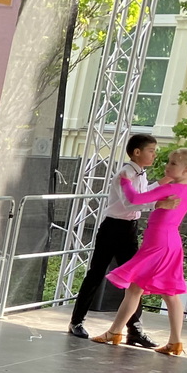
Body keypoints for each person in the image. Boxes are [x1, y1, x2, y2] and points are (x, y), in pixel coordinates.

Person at [90, 147, 187, 357]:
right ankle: (174, 342)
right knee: (167, 293)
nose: (167, 166)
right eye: (168, 161)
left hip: (158, 241)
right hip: (172, 241)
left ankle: (114, 333)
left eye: (173, 163)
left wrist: (125, 182)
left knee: (136, 289)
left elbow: (135, 199)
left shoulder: (170, 189)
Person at [68, 133, 158, 347]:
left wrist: (161, 187)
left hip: (130, 228)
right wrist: (157, 202)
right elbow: (130, 202)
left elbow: (144, 195)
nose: (154, 155)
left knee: (135, 280)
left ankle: (135, 330)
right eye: (151, 151)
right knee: (96, 273)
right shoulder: (125, 174)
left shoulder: (141, 174)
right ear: (137, 152)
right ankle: (76, 321)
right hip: (113, 227)